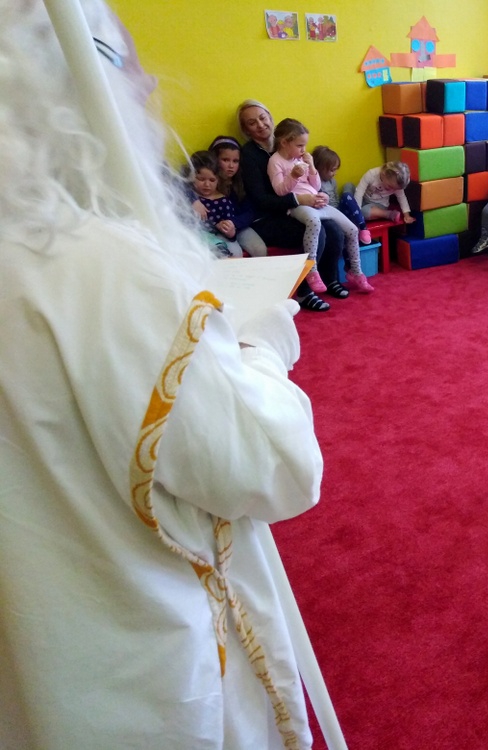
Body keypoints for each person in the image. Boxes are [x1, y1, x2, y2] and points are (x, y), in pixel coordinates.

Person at [0, 3, 323, 748]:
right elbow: (273, 465)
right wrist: (264, 346)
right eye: (129, 65)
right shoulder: (100, 268)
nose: (148, 88)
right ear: (67, 87)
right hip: (136, 670)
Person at [238, 99, 346, 312]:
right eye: (252, 123)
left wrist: (319, 195)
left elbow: (308, 180)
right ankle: (305, 292)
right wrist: (298, 200)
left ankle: (330, 278)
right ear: (246, 130)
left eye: (263, 118)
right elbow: (261, 199)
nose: (260, 125)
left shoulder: (290, 142)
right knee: (317, 231)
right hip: (268, 217)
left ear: (270, 118)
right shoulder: (249, 155)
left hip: (294, 210)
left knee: (335, 228)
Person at [267, 118, 374, 294]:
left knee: (352, 229)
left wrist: (311, 167)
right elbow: (280, 191)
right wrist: (293, 176)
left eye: (304, 145)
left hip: (317, 201)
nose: (303, 150)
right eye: (300, 145)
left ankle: (355, 271)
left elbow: (316, 185)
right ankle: (312, 269)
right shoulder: (275, 161)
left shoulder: (299, 158)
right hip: (298, 204)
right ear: (284, 142)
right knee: (314, 223)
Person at [209, 135, 268, 257]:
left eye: (235, 161)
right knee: (235, 254)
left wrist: (234, 223)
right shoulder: (208, 183)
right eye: (225, 160)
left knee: (260, 250)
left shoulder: (240, 183)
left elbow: (250, 211)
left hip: (238, 226)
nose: (231, 166)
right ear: (214, 160)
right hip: (215, 230)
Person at [183, 149, 241, 258]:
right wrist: (193, 200)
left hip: (215, 238)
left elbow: (230, 232)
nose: (207, 184)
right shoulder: (187, 195)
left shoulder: (223, 202)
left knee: (233, 251)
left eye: (212, 180)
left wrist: (229, 231)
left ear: (218, 180)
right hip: (193, 236)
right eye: (201, 179)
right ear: (192, 177)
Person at [312, 144, 372, 245]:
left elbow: (336, 199)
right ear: (319, 168)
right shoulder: (315, 183)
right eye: (332, 170)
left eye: (336, 169)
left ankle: (363, 227)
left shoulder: (332, 181)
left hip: (339, 211)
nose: (335, 173)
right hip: (328, 215)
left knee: (347, 190)